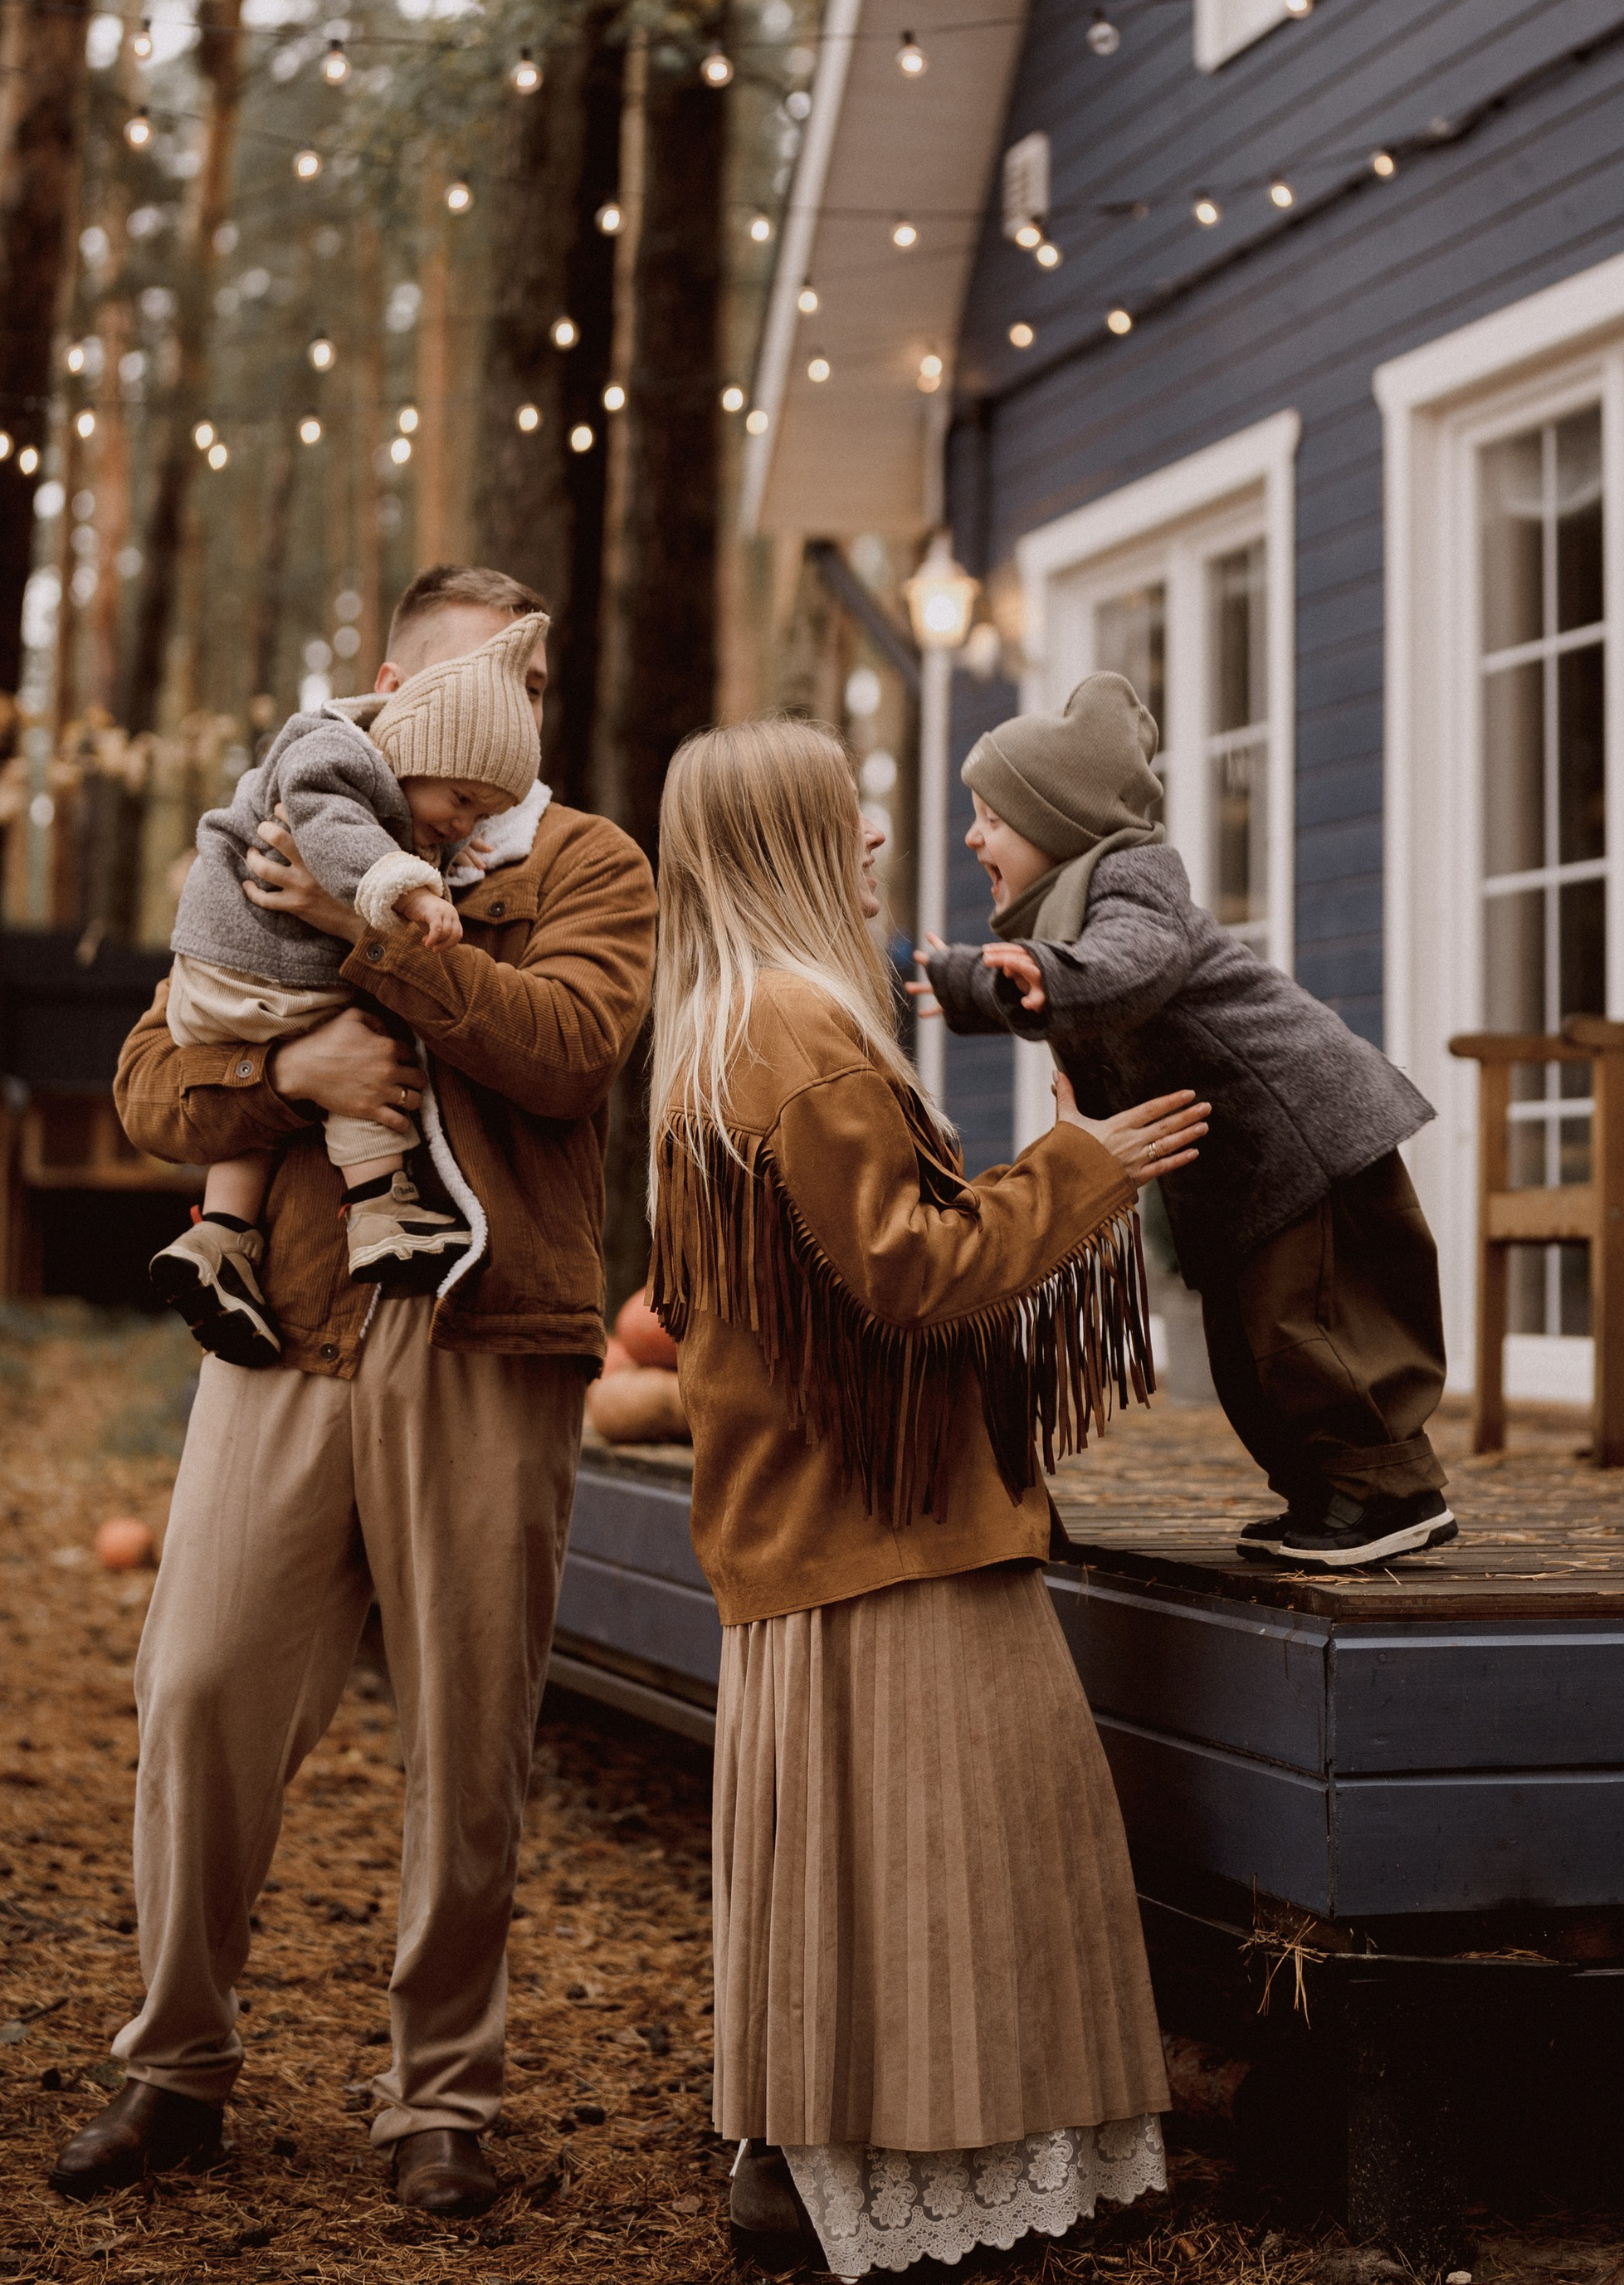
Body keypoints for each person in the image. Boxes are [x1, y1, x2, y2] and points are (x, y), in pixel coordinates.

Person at [50, 564, 657, 2224]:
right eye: (435, 693)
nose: (456, 734)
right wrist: (282, 1068)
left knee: (470, 1738)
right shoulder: (280, 809)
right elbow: (151, 1082)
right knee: (197, 1687)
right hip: (286, 1328)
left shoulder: (591, 864)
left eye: (502, 701)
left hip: (486, 1340)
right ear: (385, 680)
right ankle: (174, 2067)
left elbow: (565, 1051)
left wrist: (366, 949)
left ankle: (439, 2097)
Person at [648, 720, 1203, 2277]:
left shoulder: (716, 1026)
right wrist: (1078, 1169)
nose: (882, 843)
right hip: (884, 1531)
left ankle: (802, 2152)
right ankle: (891, 2171)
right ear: (791, 846)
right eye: (852, 818)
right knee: (956, 1849)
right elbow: (908, 1272)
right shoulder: (800, 1034)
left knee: (868, 1871)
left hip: (811, 1518)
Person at [915, 672, 1455, 1573]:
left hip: (1304, 1137)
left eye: (992, 819)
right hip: (1247, 1172)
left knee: (1312, 1330)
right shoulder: (1073, 924)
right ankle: (1322, 1493)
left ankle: (1390, 1490)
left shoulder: (1132, 884)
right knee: (1249, 1348)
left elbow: (1124, 968)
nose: (973, 836)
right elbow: (1070, 987)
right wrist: (983, 988)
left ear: (1058, 824)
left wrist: (1016, 977)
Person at [149, 608, 552, 1360]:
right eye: (460, 802)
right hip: (257, 967)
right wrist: (412, 893)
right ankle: (378, 1206)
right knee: (374, 1033)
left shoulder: (575, 851)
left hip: (221, 986)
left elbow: (571, 1058)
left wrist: (278, 1075)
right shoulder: (337, 757)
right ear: (414, 723)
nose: (462, 824)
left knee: (277, 1075)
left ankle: (220, 1238)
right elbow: (338, 832)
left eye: (480, 814)